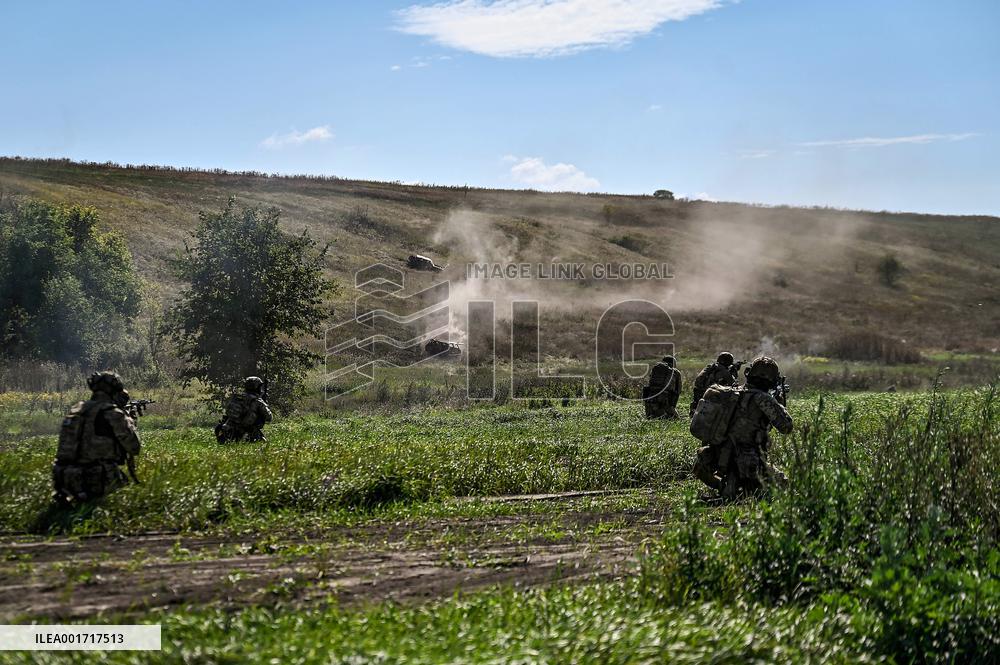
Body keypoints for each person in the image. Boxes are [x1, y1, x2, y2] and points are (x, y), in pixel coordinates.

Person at [693, 356, 792, 499]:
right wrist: (779, 403)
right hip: (748, 462)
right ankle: (743, 490)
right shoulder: (763, 399)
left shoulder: (731, 392)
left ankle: (725, 487)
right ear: (773, 380)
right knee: (784, 484)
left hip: (716, 457)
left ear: (748, 373)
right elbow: (786, 427)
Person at [52, 372, 142, 507]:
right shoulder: (112, 413)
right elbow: (134, 447)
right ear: (113, 390)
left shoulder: (76, 410)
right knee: (127, 497)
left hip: (64, 479)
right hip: (95, 478)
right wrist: (130, 421)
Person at [215, 376, 273, 443]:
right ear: (256, 387)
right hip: (246, 433)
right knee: (264, 443)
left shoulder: (237, 397)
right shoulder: (258, 401)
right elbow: (269, 418)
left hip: (229, 431)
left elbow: (228, 413)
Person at [689, 352, 741, 416]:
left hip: (699, 392)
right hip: (710, 396)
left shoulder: (711, 367)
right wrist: (735, 370)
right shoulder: (724, 371)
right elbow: (733, 384)